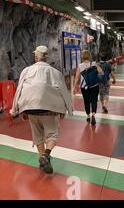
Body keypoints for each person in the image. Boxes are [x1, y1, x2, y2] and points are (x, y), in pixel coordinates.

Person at [10, 46, 73, 174]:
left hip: (30, 108)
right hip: (49, 109)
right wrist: (68, 109)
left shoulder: (26, 71)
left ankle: (42, 159)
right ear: (47, 57)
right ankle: (46, 155)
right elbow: (63, 91)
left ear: (35, 57)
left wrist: (15, 109)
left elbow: (19, 89)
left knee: (37, 135)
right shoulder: (55, 72)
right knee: (52, 134)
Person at [73, 50, 103, 126]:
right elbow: (101, 72)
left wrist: (74, 87)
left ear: (82, 56)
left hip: (84, 87)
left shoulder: (80, 66)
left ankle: (88, 116)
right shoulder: (94, 64)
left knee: (86, 101)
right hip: (94, 86)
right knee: (94, 101)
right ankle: (93, 115)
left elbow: (77, 77)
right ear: (89, 56)